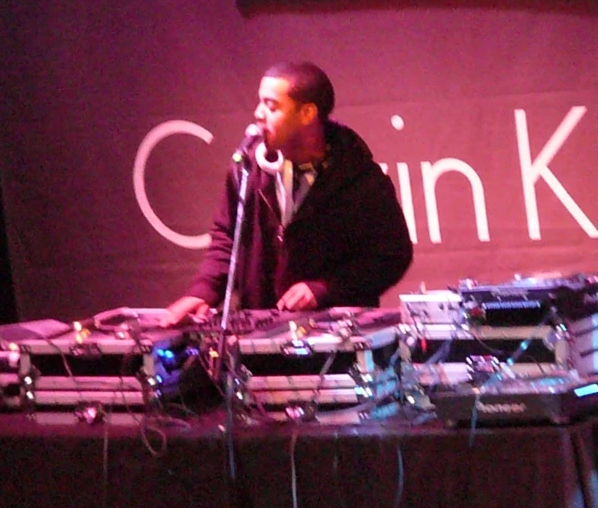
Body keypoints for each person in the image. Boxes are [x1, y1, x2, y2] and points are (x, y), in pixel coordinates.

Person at [163, 62, 412, 325]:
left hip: (334, 338)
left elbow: (391, 255)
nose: (258, 114)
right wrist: (205, 289)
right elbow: (227, 237)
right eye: (259, 103)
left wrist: (325, 289)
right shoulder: (247, 168)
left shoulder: (361, 177)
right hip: (258, 333)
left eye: (271, 106)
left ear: (306, 114)